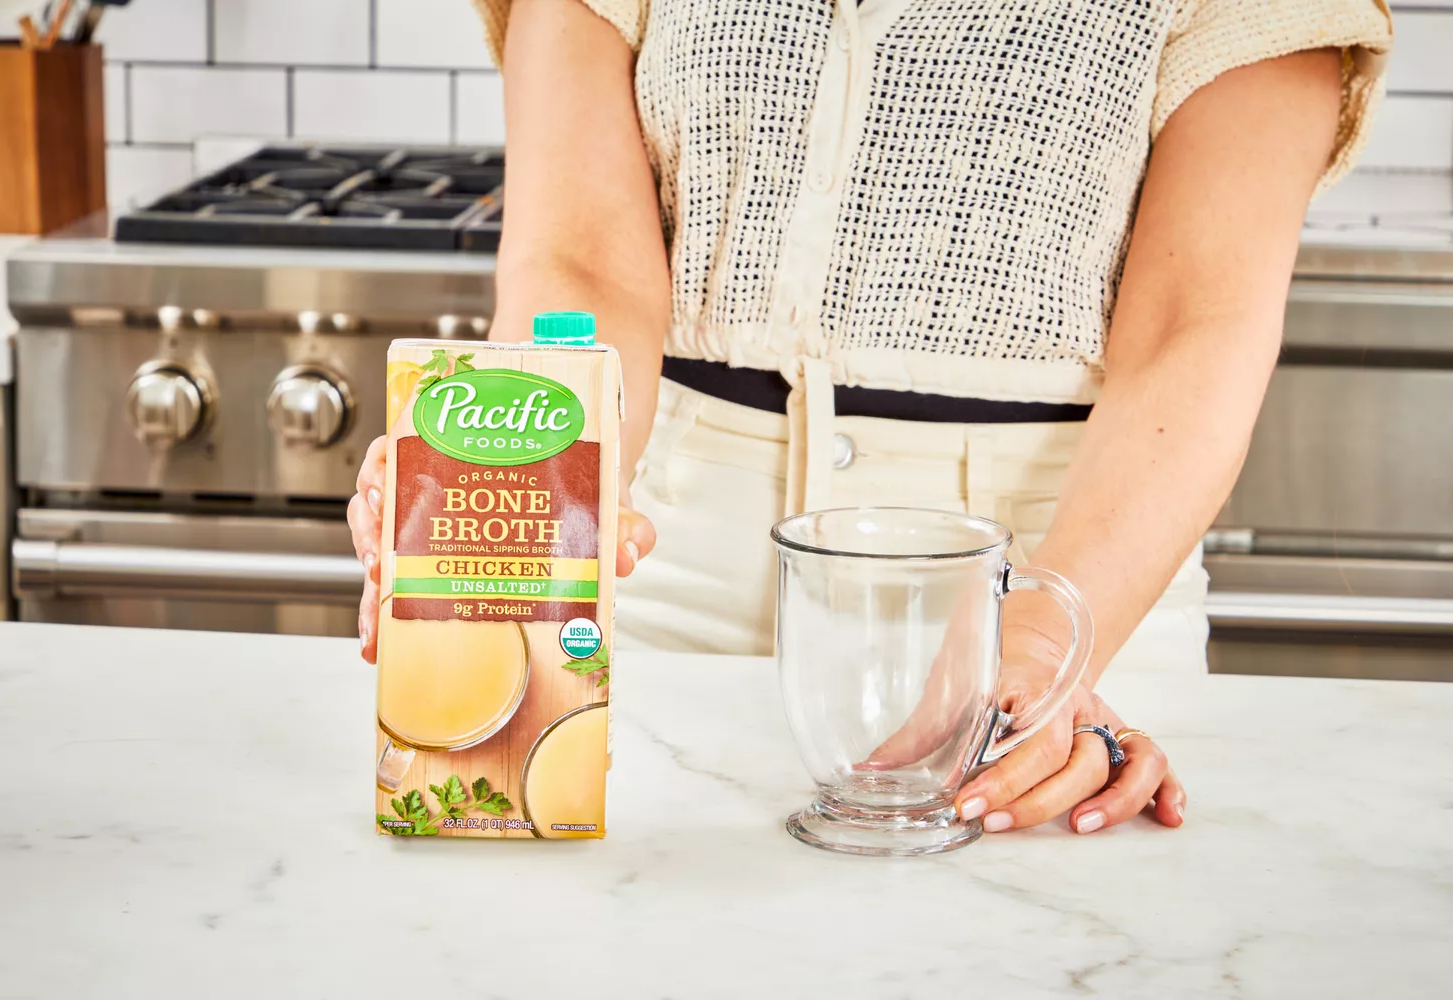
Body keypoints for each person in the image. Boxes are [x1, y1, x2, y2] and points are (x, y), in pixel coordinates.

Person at [348, 0, 1394, 837]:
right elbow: (580, 265)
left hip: (1065, 588)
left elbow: (1193, 328)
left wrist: (1042, 637)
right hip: (661, 577)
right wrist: (527, 481)